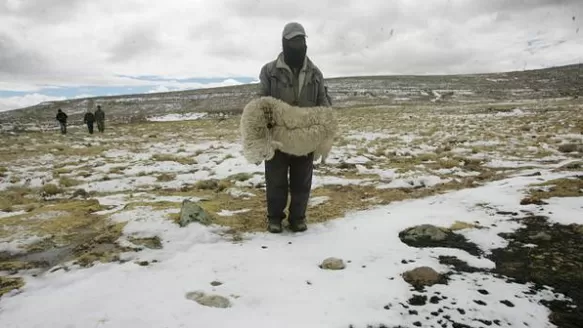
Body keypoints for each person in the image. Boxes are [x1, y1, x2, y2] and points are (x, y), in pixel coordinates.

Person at [258, 22, 331, 233]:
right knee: (275, 179)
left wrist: (324, 128)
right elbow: (261, 99)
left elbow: (323, 102)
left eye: (302, 41)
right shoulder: (269, 71)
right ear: (285, 43)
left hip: (305, 137)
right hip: (278, 136)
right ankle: (274, 218)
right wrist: (266, 125)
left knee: (302, 180)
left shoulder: (315, 73)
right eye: (294, 41)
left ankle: (298, 218)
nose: (299, 45)